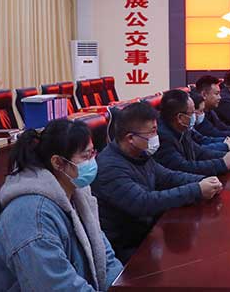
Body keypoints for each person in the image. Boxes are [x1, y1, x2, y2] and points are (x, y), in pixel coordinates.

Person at [0, 119, 123, 291]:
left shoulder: (78, 193)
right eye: (86, 156)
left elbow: (106, 258)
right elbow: (57, 286)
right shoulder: (31, 218)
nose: (93, 161)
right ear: (58, 163)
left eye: (93, 153)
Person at [92, 102, 222, 263]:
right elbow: (144, 202)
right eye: (152, 132)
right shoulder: (110, 167)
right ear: (130, 138)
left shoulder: (139, 154)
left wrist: (202, 180)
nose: (156, 136)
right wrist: (197, 190)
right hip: (126, 249)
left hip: (147, 234)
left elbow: (168, 176)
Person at [155, 90, 230, 176]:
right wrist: (222, 163)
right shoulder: (163, 137)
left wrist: (226, 156)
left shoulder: (182, 128)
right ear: (180, 118)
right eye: (192, 113)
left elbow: (199, 152)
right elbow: (183, 167)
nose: (195, 116)